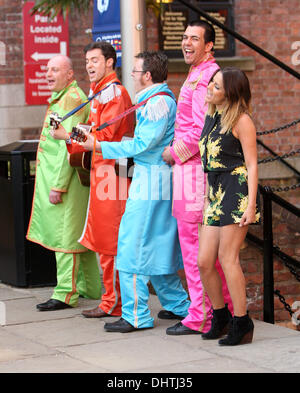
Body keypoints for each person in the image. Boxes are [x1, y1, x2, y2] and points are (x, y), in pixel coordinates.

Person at [78, 51, 191, 333]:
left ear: (148, 75)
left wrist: (99, 146)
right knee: (158, 246)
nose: (132, 74)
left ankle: (136, 315)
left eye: (136, 70)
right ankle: (180, 305)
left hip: (150, 181)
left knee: (130, 247)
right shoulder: (156, 100)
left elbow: (142, 145)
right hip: (156, 179)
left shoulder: (155, 104)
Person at [52, 42, 134, 318]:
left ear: (110, 62)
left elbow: (106, 139)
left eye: (95, 60)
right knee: (105, 240)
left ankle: (114, 302)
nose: (89, 65)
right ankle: (112, 300)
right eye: (87, 60)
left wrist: (68, 136)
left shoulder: (114, 92)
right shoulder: (101, 91)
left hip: (114, 176)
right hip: (105, 174)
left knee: (110, 241)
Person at [162, 20, 233, 335]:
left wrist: (172, 153)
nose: (187, 43)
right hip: (194, 172)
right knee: (205, 251)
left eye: (195, 38)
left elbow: (201, 129)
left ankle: (201, 316)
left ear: (209, 46)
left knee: (194, 248)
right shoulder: (200, 73)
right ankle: (223, 311)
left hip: (194, 172)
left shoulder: (206, 76)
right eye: (184, 37)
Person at [27, 55, 102, 311]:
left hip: (67, 180)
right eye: (47, 69)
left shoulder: (72, 98)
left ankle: (64, 293)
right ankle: (90, 288)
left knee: (64, 237)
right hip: (68, 178)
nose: (48, 74)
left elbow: (69, 146)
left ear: (70, 74)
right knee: (79, 237)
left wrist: (59, 185)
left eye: (55, 69)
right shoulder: (66, 96)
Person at [198, 67, 260, 345]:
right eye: (212, 82)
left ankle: (241, 321)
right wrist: (206, 197)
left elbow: (252, 164)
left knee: (228, 258)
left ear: (231, 93)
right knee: (204, 261)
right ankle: (220, 315)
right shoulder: (212, 116)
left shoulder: (242, 120)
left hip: (236, 191)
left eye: (218, 86)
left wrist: (250, 205)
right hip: (215, 192)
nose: (211, 87)